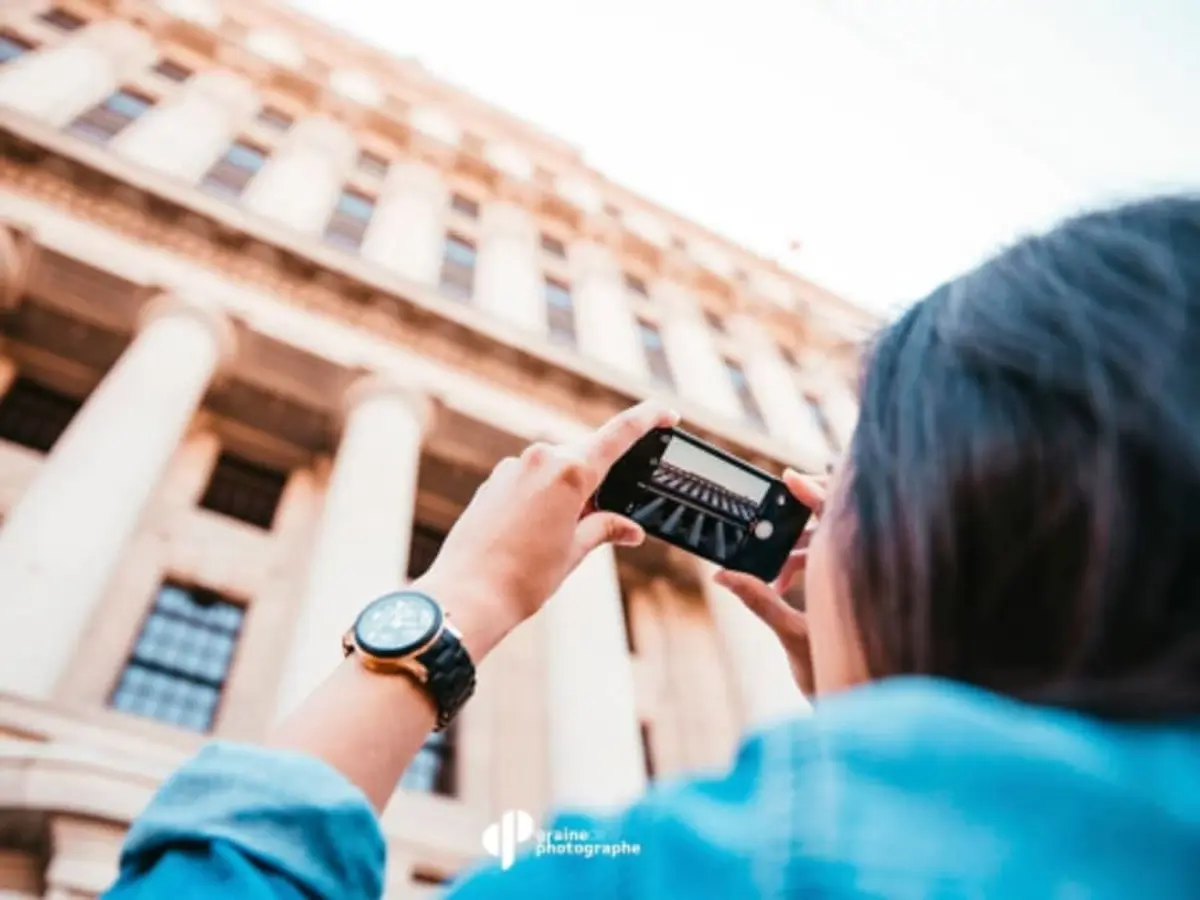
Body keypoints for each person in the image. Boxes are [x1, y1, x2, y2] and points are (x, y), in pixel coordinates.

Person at [103, 196, 1200, 900]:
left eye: (855, 465)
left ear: (952, 525)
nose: (815, 500)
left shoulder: (747, 858)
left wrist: (453, 611)